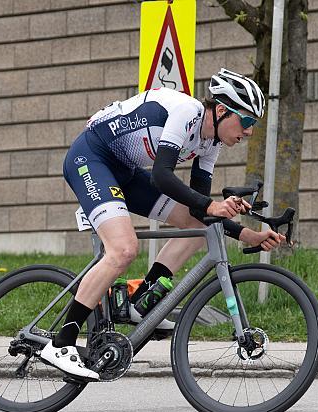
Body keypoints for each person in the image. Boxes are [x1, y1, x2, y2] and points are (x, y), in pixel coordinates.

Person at [40, 69, 286, 379]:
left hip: (125, 172)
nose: (249, 132)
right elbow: (162, 175)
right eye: (247, 122)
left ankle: (140, 300)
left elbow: (201, 212)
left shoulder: (211, 144)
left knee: (199, 229)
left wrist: (247, 233)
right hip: (92, 158)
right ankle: (61, 343)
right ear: (222, 110)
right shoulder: (187, 112)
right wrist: (212, 206)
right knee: (123, 250)